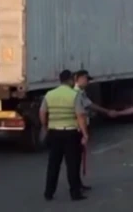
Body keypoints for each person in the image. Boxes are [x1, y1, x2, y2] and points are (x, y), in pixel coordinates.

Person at [40, 70, 88, 201]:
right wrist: (84, 134)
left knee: (53, 164)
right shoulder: (74, 95)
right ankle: (75, 193)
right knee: (72, 164)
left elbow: (42, 112)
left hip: (54, 132)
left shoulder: (49, 94)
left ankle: (48, 192)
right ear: (71, 80)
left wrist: (45, 127)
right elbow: (80, 115)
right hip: (71, 133)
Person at [73, 69, 108, 192]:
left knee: (77, 159)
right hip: (76, 128)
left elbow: (90, 105)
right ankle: (75, 186)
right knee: (75, 159)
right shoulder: (76, 93)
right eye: (86, 79)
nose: (87, 82)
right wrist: (85, 133)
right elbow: (81, 114)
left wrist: (107, 112)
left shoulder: (81, 92)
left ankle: (78, 183)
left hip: (78, 127)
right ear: (79, 78)